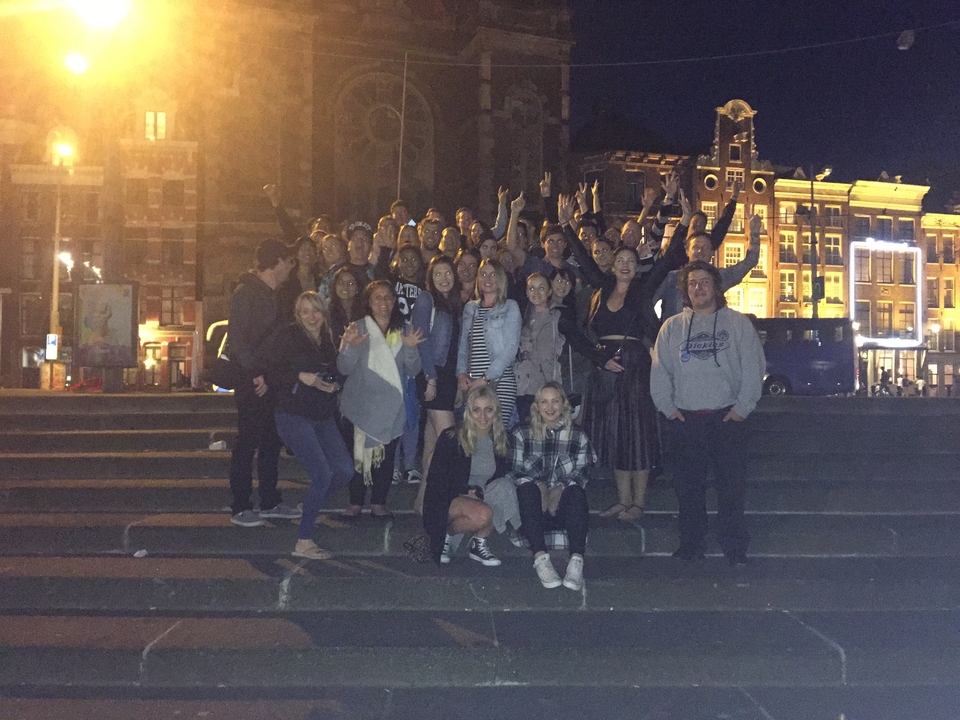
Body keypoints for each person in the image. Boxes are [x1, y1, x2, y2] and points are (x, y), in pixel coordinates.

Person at [562, 175, 692, 522]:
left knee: (638, 434)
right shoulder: (602, 289)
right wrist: (565, 226)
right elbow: (584, 260)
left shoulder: (641, 291)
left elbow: (664, 262)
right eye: (620, 260)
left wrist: (683, 225)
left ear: (636, 268)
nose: (624, 265)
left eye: (630, 262)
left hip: (635, 367)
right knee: (617, 436)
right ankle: (622, 500)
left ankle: (638, 502)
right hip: (605, 367)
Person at [650, 261, 765, 565]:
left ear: (716, 287)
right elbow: (660, 372)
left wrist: (742, 409)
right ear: (685, 291)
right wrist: (669, 409)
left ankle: (734, 544)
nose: (698, 288)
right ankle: (691, 543)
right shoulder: (672, 327)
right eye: (692, 283)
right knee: (688, 489)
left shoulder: (738, 324)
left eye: (704, 282)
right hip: (686, 420)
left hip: (726, 419)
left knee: (731, 488)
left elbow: (754, 367)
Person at [227, 239, 302, 527]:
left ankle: (269, 500)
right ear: (278, 262)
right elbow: (237, 340)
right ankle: (241, 505)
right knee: (248, 440)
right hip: (252, 380)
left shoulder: (273, 294)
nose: (290, 268)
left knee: (271, 439)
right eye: (288, 262)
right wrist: (255, 373)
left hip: (271, 379)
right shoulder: (246, 293)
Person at [274, 292, 353, 560]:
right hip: (293, 413)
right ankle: (303, 542)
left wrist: (334, 381)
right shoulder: (289, 335)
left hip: (321, 413)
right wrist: (300, 376)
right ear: (298, 314)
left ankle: (310, 505)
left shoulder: (327, 340)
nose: (311, 316)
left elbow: (336, 373)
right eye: (305, 311)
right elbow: (272, 370)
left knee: (344, 470)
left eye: (316, 310)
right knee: (322, 475)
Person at [337, 280, 424, 519]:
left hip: (391, 408)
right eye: (378, 297)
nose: (384, 303)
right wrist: (352, 347)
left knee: (385, 459)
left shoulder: (404, 329)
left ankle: (378, 502)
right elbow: (343, 368)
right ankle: (355, 502)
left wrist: (410, 348)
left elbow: (415, 370)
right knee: (357, 457)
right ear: (368, 301)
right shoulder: (357, 327)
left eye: (388, 298)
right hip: (359, 405)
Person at [508, 382, 595, 590]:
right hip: (532, 514)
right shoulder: (521, 433)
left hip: (562, 511)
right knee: (527, 490)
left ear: (564, 405)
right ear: (536, 406)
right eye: (544, 401)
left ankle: (576, 561)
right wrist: (539, 486)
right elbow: (514, 470)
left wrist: (559, 488)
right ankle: (541, 559)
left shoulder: (578, 436)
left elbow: (583, 472)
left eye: (555, 401)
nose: (550, 407)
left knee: (575, 492)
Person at [422, 386, 515, 566]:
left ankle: (479, 542)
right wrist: (463, 491)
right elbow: (436, 479)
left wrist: (479, 492)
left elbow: (499, 478)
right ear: (469, 412)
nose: (483, 416)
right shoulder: (451, 437)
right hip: (450, 498)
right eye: (477, 410)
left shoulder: (501, 440)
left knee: (507, 487)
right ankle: (445, 536)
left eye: (488, 410)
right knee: (483, 514)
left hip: (481, 494)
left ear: (495, 412)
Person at [412, 255, 463, 510]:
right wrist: (431, 379)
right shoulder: (426, 299)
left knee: (433, 444)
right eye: (438, 274)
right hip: (433, 376)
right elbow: (421, 339)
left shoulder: (454, 303)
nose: (444, 278)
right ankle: (442, 500)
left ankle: (422, 501)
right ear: (430, 278)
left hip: (447, 377)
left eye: (448, 273)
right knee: (448, 441)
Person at [654, 205, 760, 321]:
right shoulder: (672, 278)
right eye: (696, 247)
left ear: (711, 253)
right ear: (687, 251)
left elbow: (750, 262)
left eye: (705, 248)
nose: (700, 251)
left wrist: (754, 233)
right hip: (676, 337)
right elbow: (650, 300)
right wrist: (657, 331)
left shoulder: (718, 277)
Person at [457, 258, 522, 428]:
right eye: (483, 274)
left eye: (493, 274)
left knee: (498, 436)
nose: (487, 279)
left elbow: (510, 348)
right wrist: (461, 373)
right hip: (473, 385)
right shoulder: (470, 308)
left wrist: (486, 378)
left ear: (501, 279)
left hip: (500, 381)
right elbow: (464, 346)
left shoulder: (510, 306)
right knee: (476, 438)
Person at [515, 272, 564, 423]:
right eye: (531, 288)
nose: (536, 293)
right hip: (522, 383)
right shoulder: (521, 316)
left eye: (541, 288)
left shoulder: (559, 315)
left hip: (545, 383)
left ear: (549, 291)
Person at [277, 236, 323, 320]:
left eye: (311, 249)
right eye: (303, 249)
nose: (307, 252)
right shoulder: (288, 278)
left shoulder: (320, 278)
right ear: (297, 254)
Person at [328, 266, 362, 345]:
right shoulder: (327, 311)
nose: (345, 287)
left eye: (351, 283)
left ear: (357, 288)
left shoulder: (365, 311)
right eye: (340, 283)